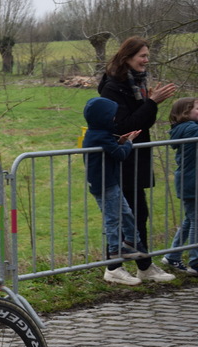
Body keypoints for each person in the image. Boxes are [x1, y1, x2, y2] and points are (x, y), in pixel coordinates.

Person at [98, 36, 177, 283]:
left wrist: (150, 104)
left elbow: (143, 123)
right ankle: (113, 267)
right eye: (142, 56)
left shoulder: (136, 84)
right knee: (121, 215)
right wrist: (152, 103)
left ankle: (144, 266)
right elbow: (124, 125)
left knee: (138, 213)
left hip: (136, 157)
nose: (146, 60)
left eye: (147, 56)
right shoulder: (112, 87)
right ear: (127, 58)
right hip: (120, 158)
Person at [82, 97, 146, 285]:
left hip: (110, 182)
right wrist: (129, 143)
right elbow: (120, 155)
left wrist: (121, 141)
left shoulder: (100, 134)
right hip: (105, 184)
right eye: (112, 116)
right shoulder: (100, 136)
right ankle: (115, 255)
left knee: (125, 213)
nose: (115, 119)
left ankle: (131, 243)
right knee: (113, 218)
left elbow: (113, 149)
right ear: (103, 118)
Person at [161, 97, 198, 275]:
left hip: (189, 180)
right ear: (185, 112)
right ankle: (196, 261)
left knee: (190, 220)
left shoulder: (183, 128)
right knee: (195, 221)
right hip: (192, 182)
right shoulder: (191, 128)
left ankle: (172, 256)